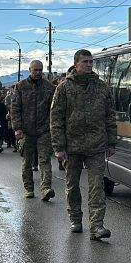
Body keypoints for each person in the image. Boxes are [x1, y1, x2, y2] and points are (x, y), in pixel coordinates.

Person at [51, 49, 116, 240]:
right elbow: (56, 119)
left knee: (97, 185)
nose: (89, 65)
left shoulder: (102, 87)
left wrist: (112, 142)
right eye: (86, 62)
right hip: (72, 147)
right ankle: (75, 218)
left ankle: (97, 226)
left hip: (96, 145)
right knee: (72, 185)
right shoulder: (63, 88)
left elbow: (110, 116)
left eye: (91, 62)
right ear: (76, 64)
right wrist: (59, 148)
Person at [10, 60, 56, 200]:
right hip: (26, 131)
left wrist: (52, 127)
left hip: (44, 130)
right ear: (29, 70)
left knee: (45, 160)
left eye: (40, 70)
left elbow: (54, 109)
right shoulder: (21, 86)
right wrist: (17, 128)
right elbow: (15, 108)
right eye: (35, 70)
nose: (38, 72)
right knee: (27, 162)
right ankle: (29, 188)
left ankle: (46, 188)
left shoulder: (49, 87)